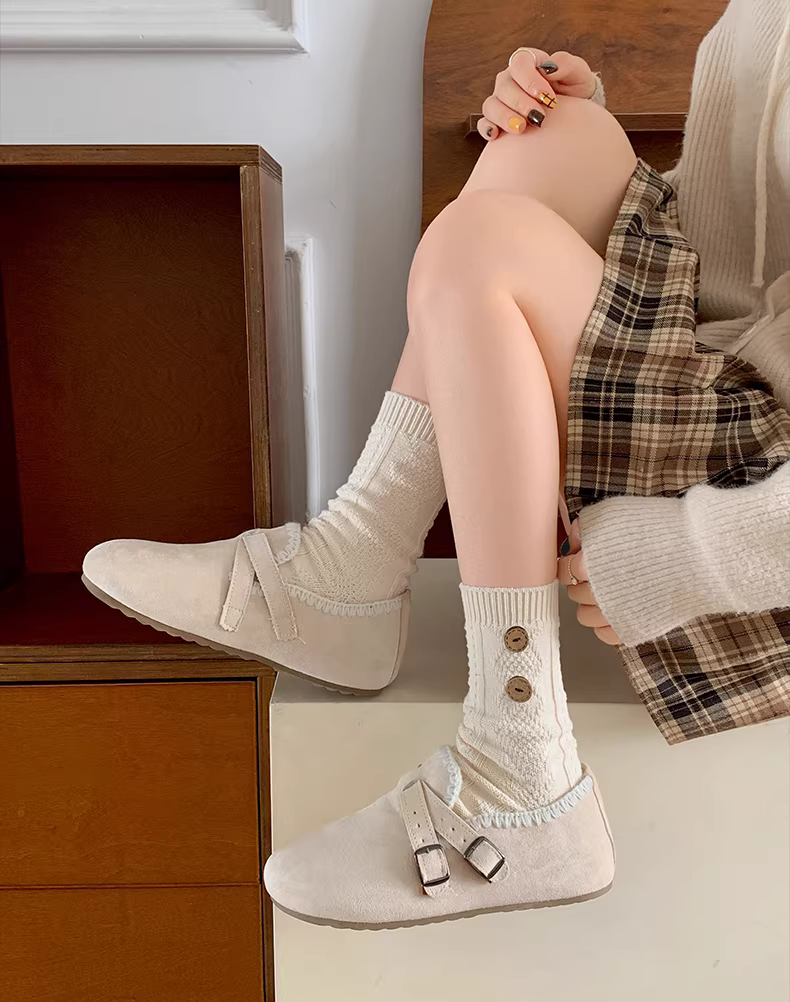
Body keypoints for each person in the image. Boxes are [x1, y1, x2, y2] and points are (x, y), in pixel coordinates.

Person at [81, 0, 790, 928]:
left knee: (476, 247)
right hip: (729, 364)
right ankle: (353, 566)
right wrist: (583, 127)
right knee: (557, 133)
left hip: (762, 505)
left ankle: (524, 767)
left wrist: (689, 553)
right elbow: (751, 250)